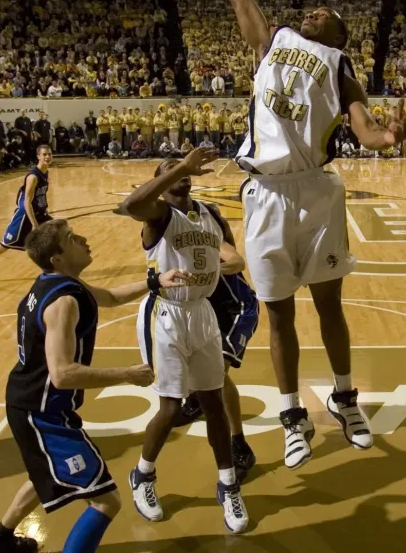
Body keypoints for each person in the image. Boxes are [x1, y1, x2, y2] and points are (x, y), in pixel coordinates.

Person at [221, 0, 404, 470]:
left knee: (329, 307)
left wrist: (388, 137)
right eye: (312, 10)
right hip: (266, 194)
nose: (312, 12)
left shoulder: (339, 65)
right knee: (278, 315)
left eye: (325, 14)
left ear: (339, 34)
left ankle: (345, 400)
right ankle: (291, 417)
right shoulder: (273, 40)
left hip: (317, 194)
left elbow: (365, 130)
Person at [0, 219, 171, 553]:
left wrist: (155, 282)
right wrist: (128, 374)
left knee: (44, 474)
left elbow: (108, 297)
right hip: (42, 413)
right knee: (107, 502)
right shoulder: (63, 303)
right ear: (57, 257)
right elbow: (63, 374)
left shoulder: (60, 283)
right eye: (71, 239)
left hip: (30, 403)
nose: (82, 240)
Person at [117, 149, 251, 533]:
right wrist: (180, 167)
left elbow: (231, 255)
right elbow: (131, 204)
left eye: (185, 168)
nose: (181, 173)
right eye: (171, 169)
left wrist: (224, 264)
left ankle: (228, 484)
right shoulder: (159, 216)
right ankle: (143, 475)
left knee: (213, 403)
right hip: (167, 314)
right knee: (171, 406)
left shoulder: (209, 214)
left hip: (202, 313)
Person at [0, 145, 53, 286]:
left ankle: (50, 270)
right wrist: (34, 224)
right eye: (44, 154)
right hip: (24, 216)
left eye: (50, 154)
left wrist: (44, 209)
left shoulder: (45, 172)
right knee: (5, 244)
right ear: (38, 156)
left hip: (38, 213)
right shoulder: (33, 176)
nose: (47, 157)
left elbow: (40, 195)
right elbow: (27, 201)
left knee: (53, 236)